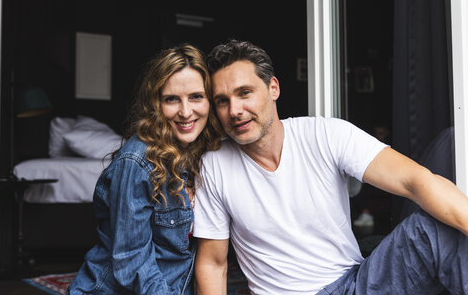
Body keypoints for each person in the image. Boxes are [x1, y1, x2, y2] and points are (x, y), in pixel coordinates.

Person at [193, 39, 468, 294]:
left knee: (432, 230)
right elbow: (213, 265)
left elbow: (417, 182)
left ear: (273, 88)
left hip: (355, 284)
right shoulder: (214, 165)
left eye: (245, 93)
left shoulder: (324, 134)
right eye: (222, 101)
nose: (235, 110)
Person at [67, 44, 222, 294]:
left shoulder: (206, 155)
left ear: (210, 101)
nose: (185, 112)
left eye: (196, 97)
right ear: (156, 104)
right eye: (172, 99)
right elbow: (132, 260)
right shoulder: (138, 161)